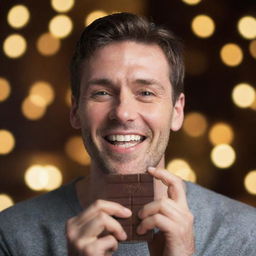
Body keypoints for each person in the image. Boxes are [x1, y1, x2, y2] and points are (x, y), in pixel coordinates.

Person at [0, 12, 256, 256]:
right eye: (102, 93)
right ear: (76, 111)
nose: (123, 113)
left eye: (145, 93)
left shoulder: (245, 234)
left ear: (177, 111)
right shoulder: (11, 235)